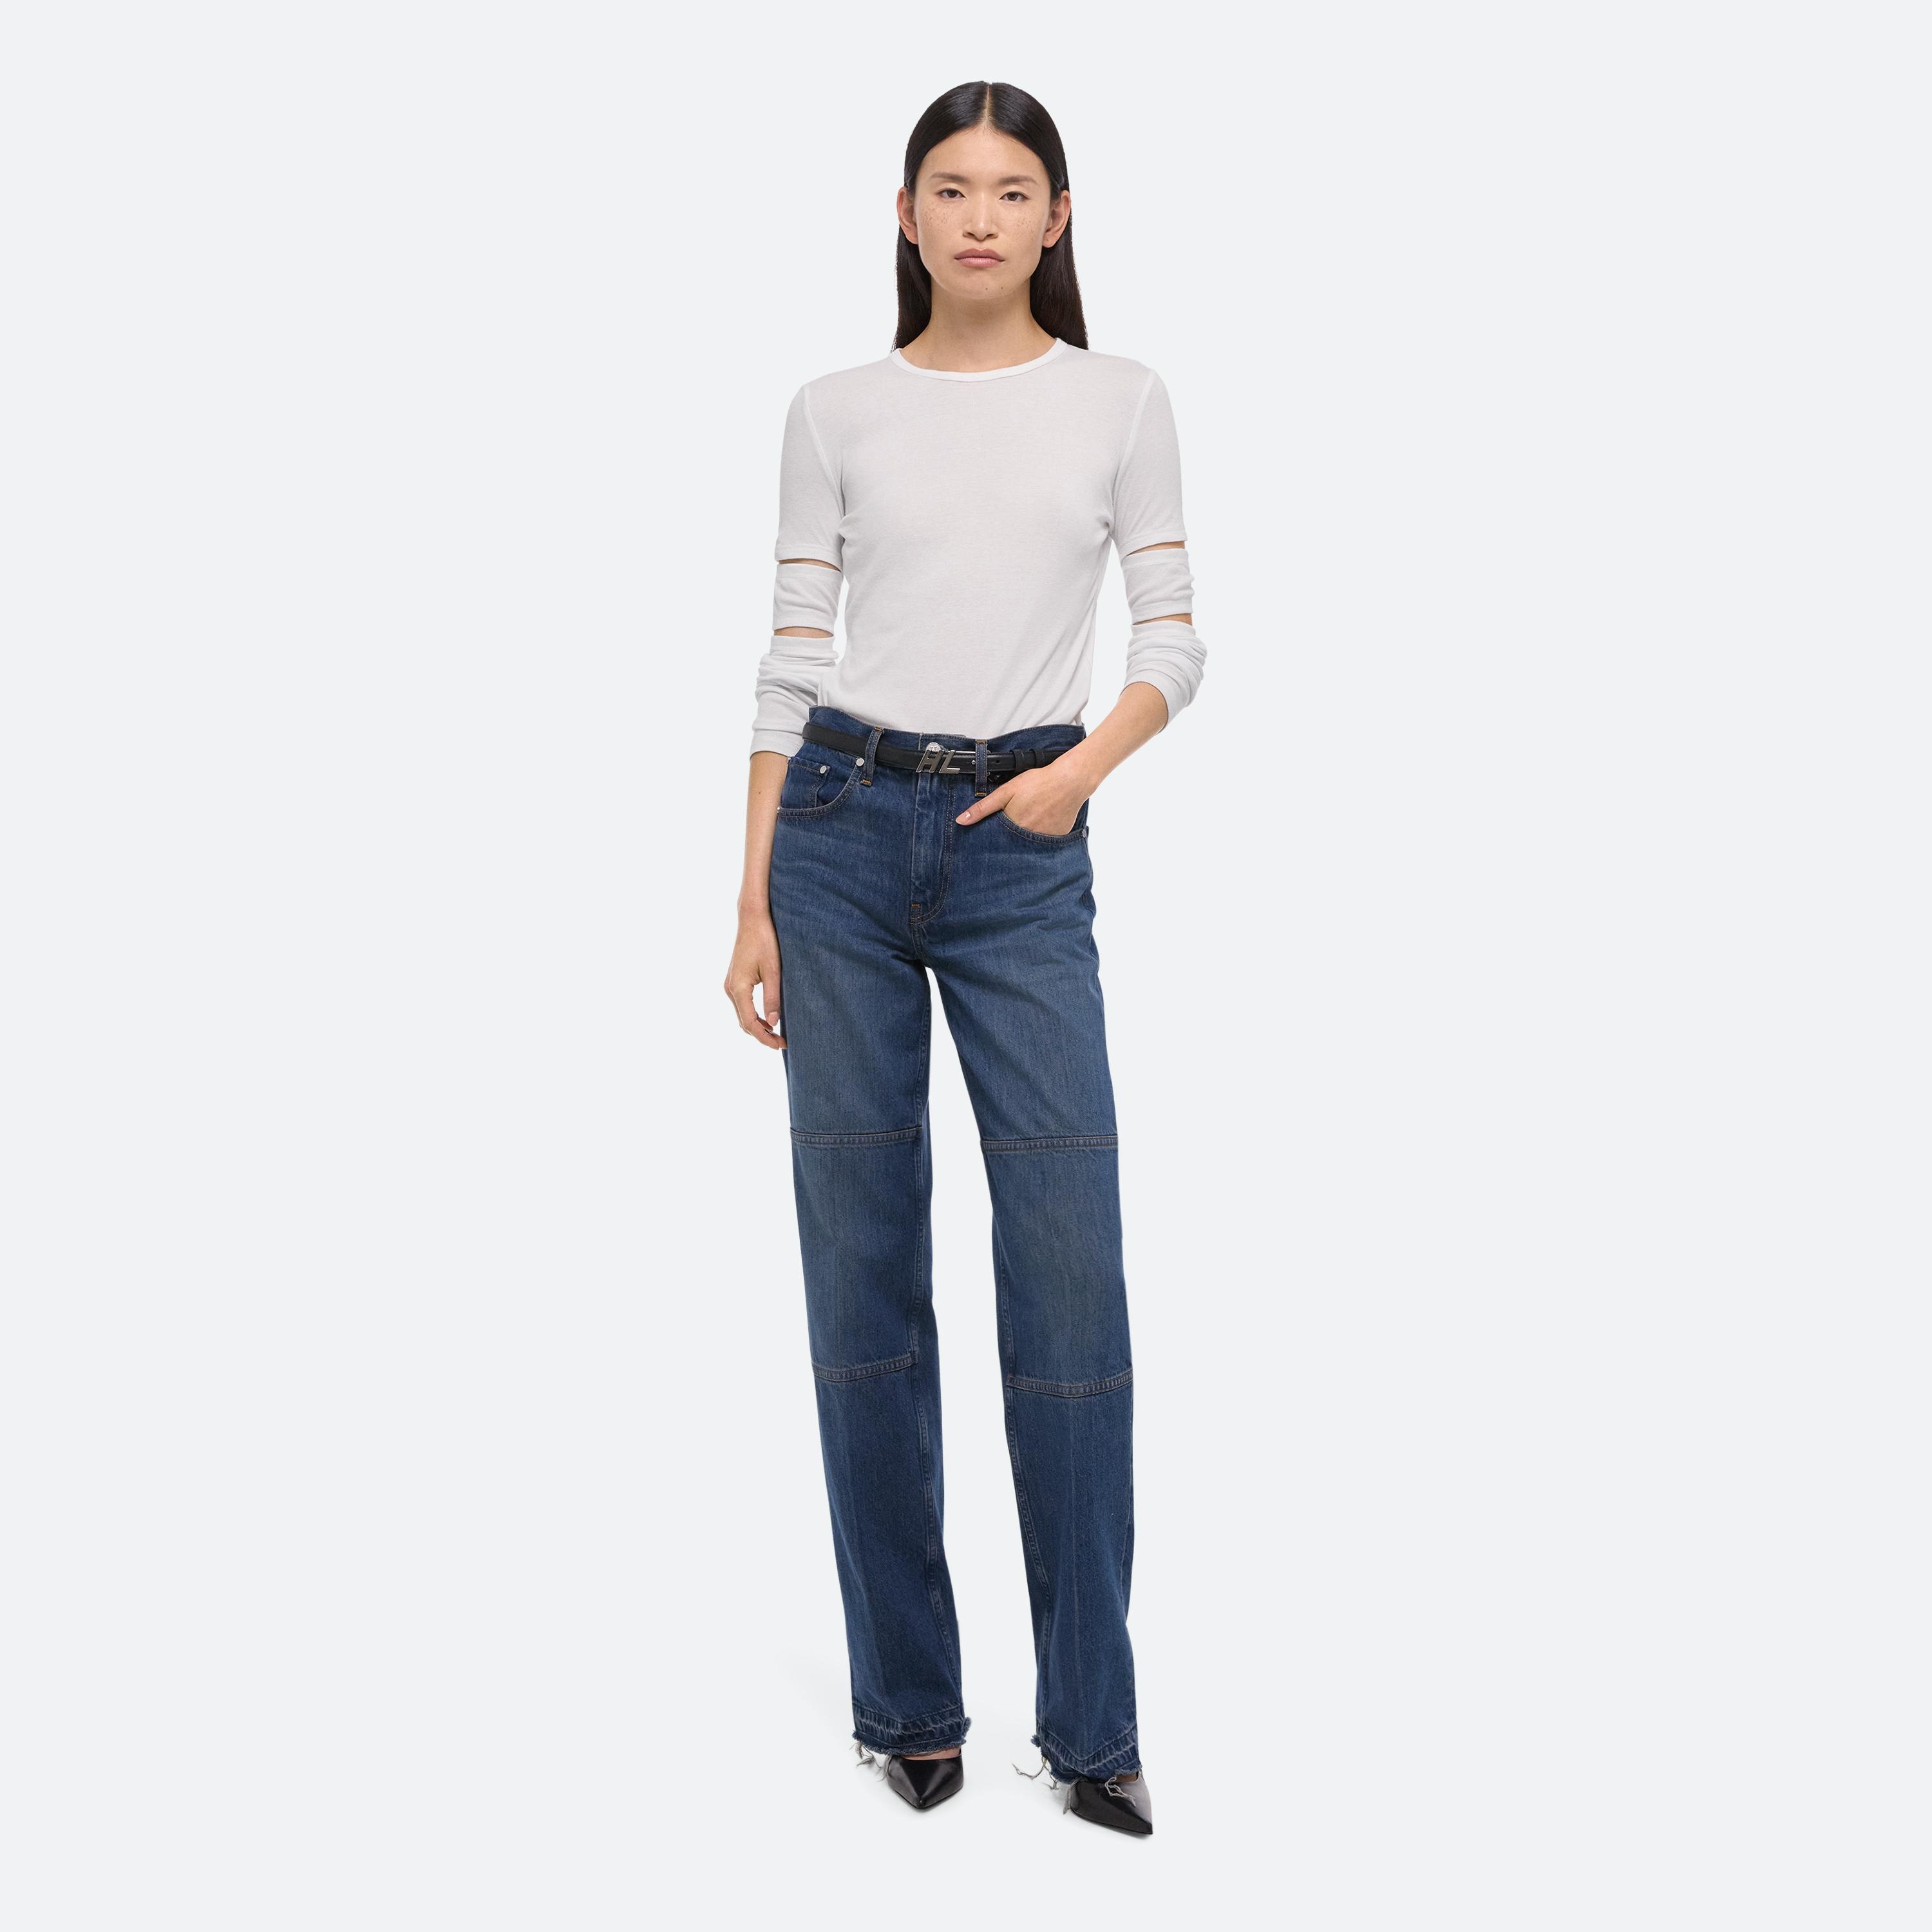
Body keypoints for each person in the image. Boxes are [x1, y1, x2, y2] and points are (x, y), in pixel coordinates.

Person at [723, 80, 1204, 1839]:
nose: (981, 216)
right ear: (906, 213)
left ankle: (1094, 1727)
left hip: (1025, 842)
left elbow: (1175, 638)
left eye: (1013, 190)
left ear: (1057, 218)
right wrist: (755, 896)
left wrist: (1078, 779)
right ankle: (909, 1707)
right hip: (842, 835)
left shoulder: (1121, 399)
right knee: (862, 1278)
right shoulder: (835, 409)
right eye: (950, 187)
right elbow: (792, 657)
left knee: (1069, 1280)